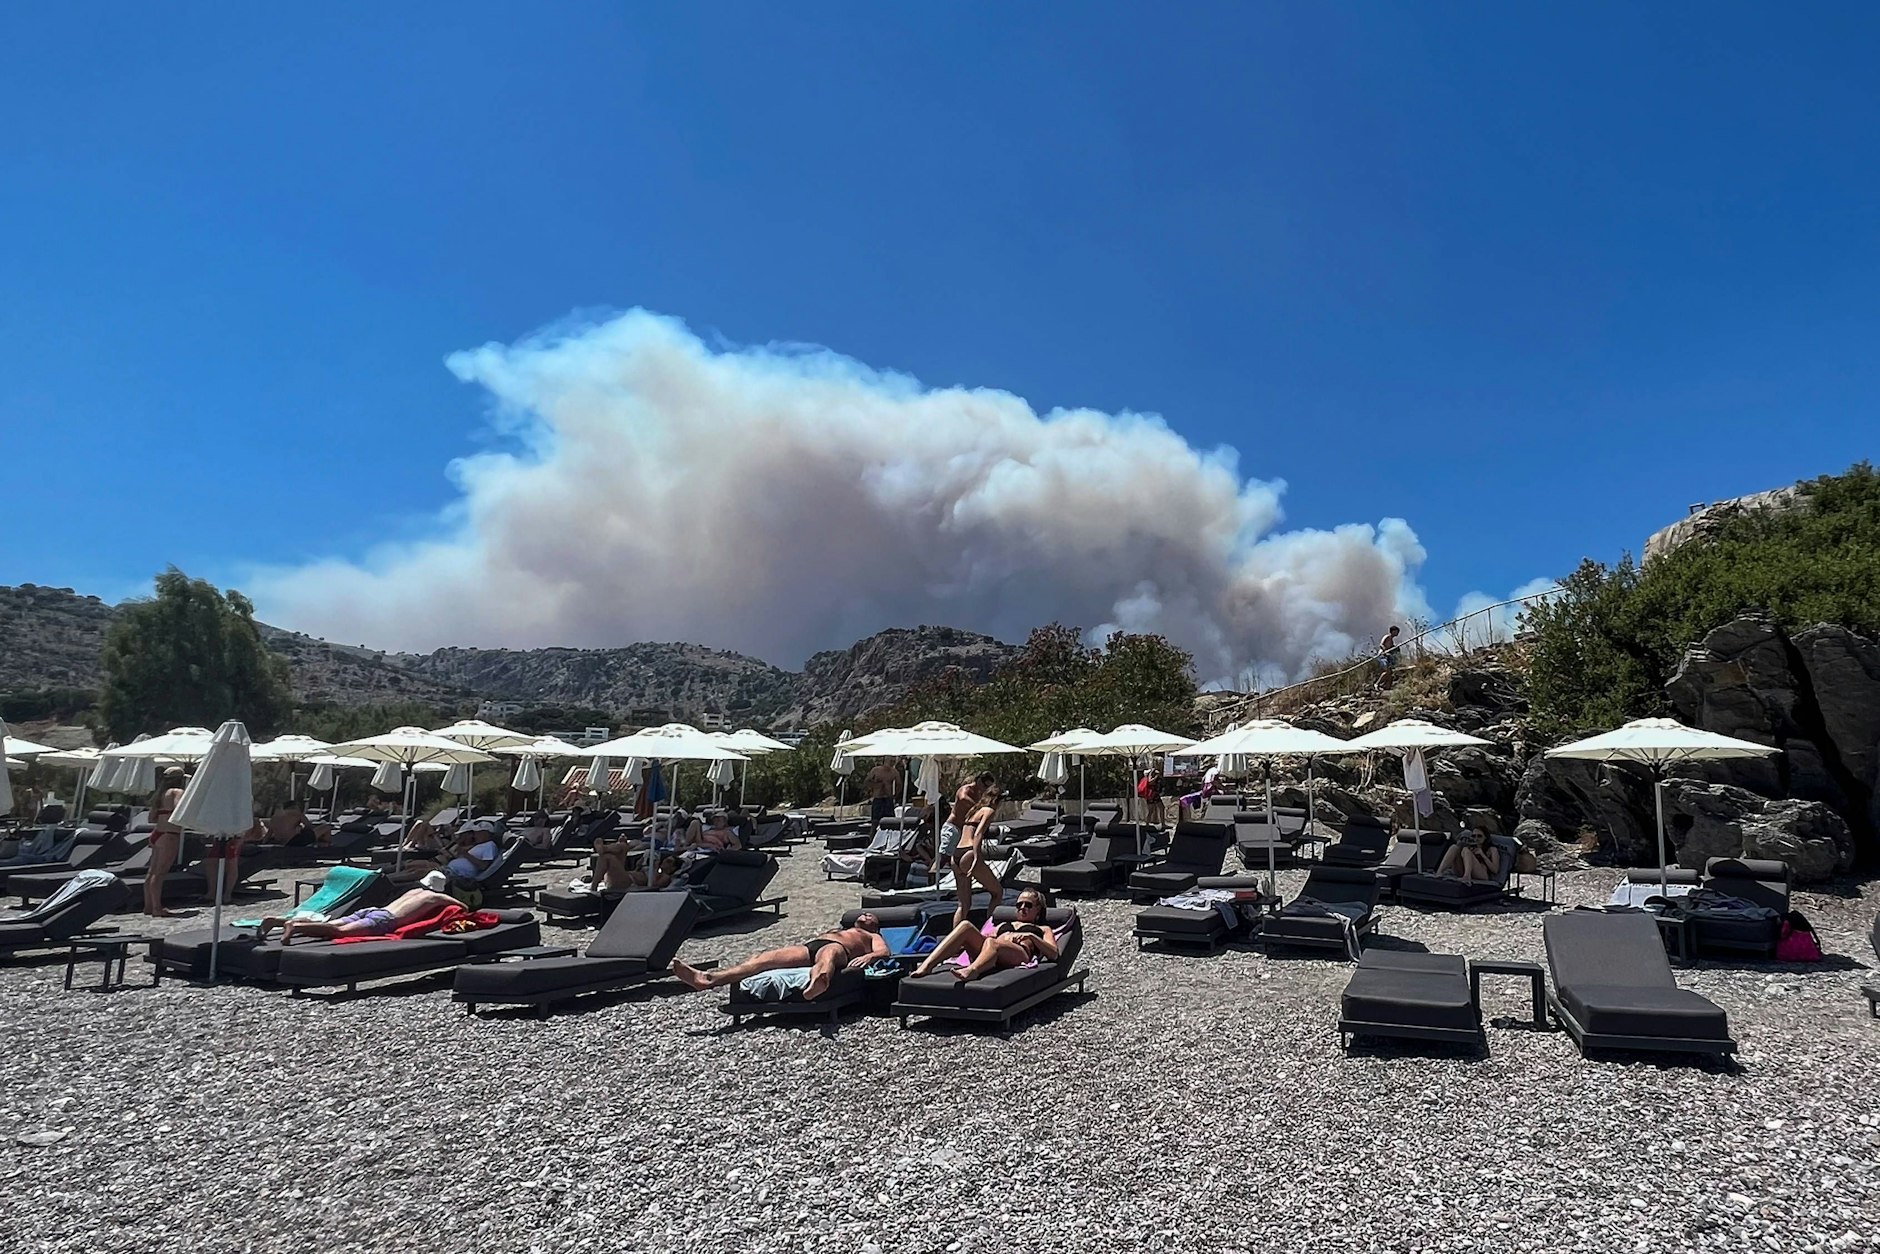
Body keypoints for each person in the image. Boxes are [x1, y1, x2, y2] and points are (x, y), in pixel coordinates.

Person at [672, 913, 889, 1001]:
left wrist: (869, 957)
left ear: (875, 925)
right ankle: (709, 979)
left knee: (828, 955)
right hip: (810, 947)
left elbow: (884, 952)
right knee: (763, 958)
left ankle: (818, 982)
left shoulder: (871, 935)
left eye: (871, 916)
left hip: (840, 949)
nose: (866, 915)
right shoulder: (840, 927)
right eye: (864, 913)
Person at [254, 872, 459, 943]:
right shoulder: (435, 897)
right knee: (339, 932)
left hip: (372, 910)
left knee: (329, 922)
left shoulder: (413, 891)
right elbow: (463, 907)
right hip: (384, 920)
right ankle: (295, 927)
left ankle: (276, 920)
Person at [910, 890, 1060, 983]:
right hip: (993, 949)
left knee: (992, 943)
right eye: (1019, 905)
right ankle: (927, 966)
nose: (1022, 908)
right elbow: (985, 938)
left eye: (1027, 905)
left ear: (1038, 910)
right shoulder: (1003, 924)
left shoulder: (1042, 929)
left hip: (1019, 953)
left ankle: (972, 971)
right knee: (965, 926)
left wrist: (1031, 937)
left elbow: (1053, 953)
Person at [948, 782, 1006, 914]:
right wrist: (976, 856)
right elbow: (978, 833)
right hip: (969, 852)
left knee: (963, 904)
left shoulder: (973, 811)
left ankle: (955, 934)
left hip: (957, 854)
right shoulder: (988, 811)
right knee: (997, 892)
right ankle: (989, 930)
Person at [145, 767, 188, 917]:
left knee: (152, 872)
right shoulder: (177, 792)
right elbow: (179, 809)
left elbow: (151, 818)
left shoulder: (159, 796)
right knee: (161, 872)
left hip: (157, 833)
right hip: (170, 834)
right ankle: (157, 908)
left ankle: (149, 906)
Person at [863, 758, 901, 826]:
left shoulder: (894, 772)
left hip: (888, 798)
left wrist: (895, 795)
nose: (892, 763)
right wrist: (876, 785)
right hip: (878, 798)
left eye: (894, 762)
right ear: (886, 761)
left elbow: (899, 784)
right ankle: (873, 835)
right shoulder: (876, 770)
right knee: (875, 822)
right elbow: (866, 782)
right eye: (891, 761)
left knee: (890, 822)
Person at [1375, 624, 1402, 690]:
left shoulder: (1392, 641)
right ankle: (1377, 684)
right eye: (1396, 631)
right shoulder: (1387, 637)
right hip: (1382, 655)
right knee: (1387, 671)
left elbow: (1393, 649)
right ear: (1393, 631)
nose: (1397, 633)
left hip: (1387, 656)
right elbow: (1381, 645)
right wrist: (1385, 651)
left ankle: (1386, 686)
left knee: (1390, 673)